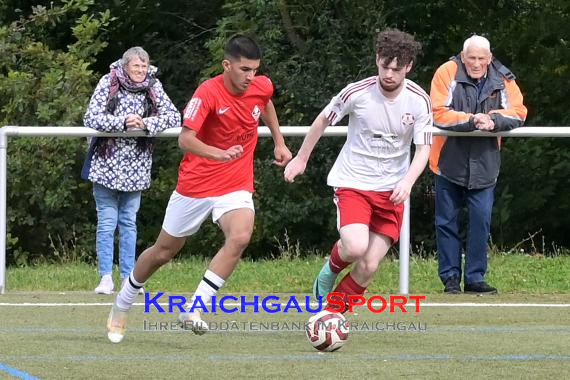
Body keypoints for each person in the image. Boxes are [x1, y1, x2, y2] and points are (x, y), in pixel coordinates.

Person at [106, 34, 292, 343]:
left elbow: (266, 103)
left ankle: (194, 308)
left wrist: (279, 141)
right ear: (226, 65)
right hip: (196, 185)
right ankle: (122, 302)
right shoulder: (207, 93)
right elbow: (185, 139)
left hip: (235, 183)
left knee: (241, 235)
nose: (251, 77)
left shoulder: (260, 85)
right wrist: (218, 153)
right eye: (244, 69)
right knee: (163, 253)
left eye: (255, 70)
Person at [284, 28, 432, 313]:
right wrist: (301, 159)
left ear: (408, 67)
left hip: (391, 191)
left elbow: (423, 149)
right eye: (384, 66)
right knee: (354, 247)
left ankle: (329, 316)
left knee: (369, 264)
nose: (389, 74)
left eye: (396, 69)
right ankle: (329, 269)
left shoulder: (419, 100)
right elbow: (323, 120)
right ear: (377, 59)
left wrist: (408, 182)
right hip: (354, 182)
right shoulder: (357, 92)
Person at [429, 35, 527, 294]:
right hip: (447, 163)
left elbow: (519, 112)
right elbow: (438, 113)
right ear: (463, 57)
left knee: (481, 221)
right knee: (446, 223)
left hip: (485, 165)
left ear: (489, 58)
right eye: (471, 58)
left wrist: (494, 120)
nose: (476, 63)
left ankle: (474, 278)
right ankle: (450, 279)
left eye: (481, 59)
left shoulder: (504, 78)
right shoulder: (446, 72)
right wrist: (473, 120)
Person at [82, 47, 180, 295]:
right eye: (136, 66)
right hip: (106, 164)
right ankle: (105, 277)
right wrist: (123, 122)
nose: (140, 71)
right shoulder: (108, 81)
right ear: (125, 66)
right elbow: (91, 117)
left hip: (137, 167)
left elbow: (174, 116)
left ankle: (128, 277)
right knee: (106, 222)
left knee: (129, 222)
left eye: (144, 66)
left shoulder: (153, 85)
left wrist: (145, 123)